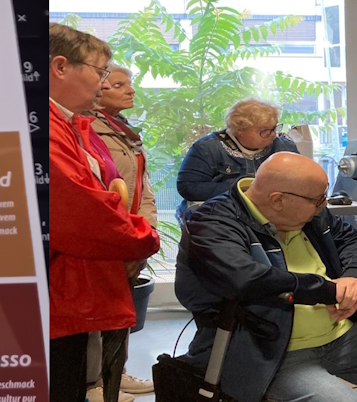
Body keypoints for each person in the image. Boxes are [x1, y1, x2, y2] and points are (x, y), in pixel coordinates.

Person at [175, 152, 357, 402]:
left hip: (336, 335)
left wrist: (355, 277)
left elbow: (355, 241)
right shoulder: (210, 222)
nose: (323, 206)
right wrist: (329, 291)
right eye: (318, 200)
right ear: (278, 200)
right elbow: (247, 279)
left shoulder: (310, 214)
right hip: (267, 347)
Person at [47, 24, 159, 402]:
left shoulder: (71, 123)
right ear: (60, 67)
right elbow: (82, 209)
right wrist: (141, 238)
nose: (104, 82)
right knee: (62, 380)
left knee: (71, 376)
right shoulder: (47, 126)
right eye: (100, 71)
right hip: (59, 280)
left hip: (75, 279)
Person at [89, 65, 159, 401]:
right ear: (96, 89)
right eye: (119, 85)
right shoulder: (86, 130)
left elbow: (143, 190)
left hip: (129, 237)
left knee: (120, 308)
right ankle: (94, 383)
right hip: (105, 238)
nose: (130, 90)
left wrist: (144, 237)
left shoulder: (125, 132)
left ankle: (117, 372)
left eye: (130, 84)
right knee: (96, 311)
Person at [176, 98, 301, 222]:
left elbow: (302, 181)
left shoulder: (284, 147)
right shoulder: (207, 148)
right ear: (240, 130)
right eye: (265, 131)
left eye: (274, 128)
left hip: (274, 216)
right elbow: (188, 187)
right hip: (220, 217)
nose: (273, 134)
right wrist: (246, 190)